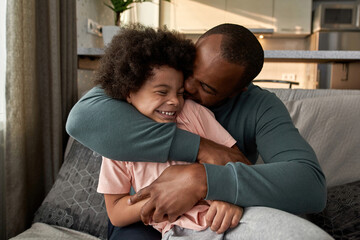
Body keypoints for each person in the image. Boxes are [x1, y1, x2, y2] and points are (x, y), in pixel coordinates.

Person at [66, 24, 331, 239]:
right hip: (146, 219)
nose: (186, 89)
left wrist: (201, 179)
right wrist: (200, 147)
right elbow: (80, 120)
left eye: (207, 88)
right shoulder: (155, 74)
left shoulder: (258, 107)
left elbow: (310, 186)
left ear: (239, 91)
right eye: (190, 71)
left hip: (213, 213)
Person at [96, 25, 251, 239]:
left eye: (179, 92)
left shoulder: (191, 113)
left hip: (214, 222)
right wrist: (163, 198)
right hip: (166, 230)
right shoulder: (116, 138)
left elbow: (237, 164)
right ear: (129, 91)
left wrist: (229, 198)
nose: (175, 101)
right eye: (162, 92)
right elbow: (115, 212)